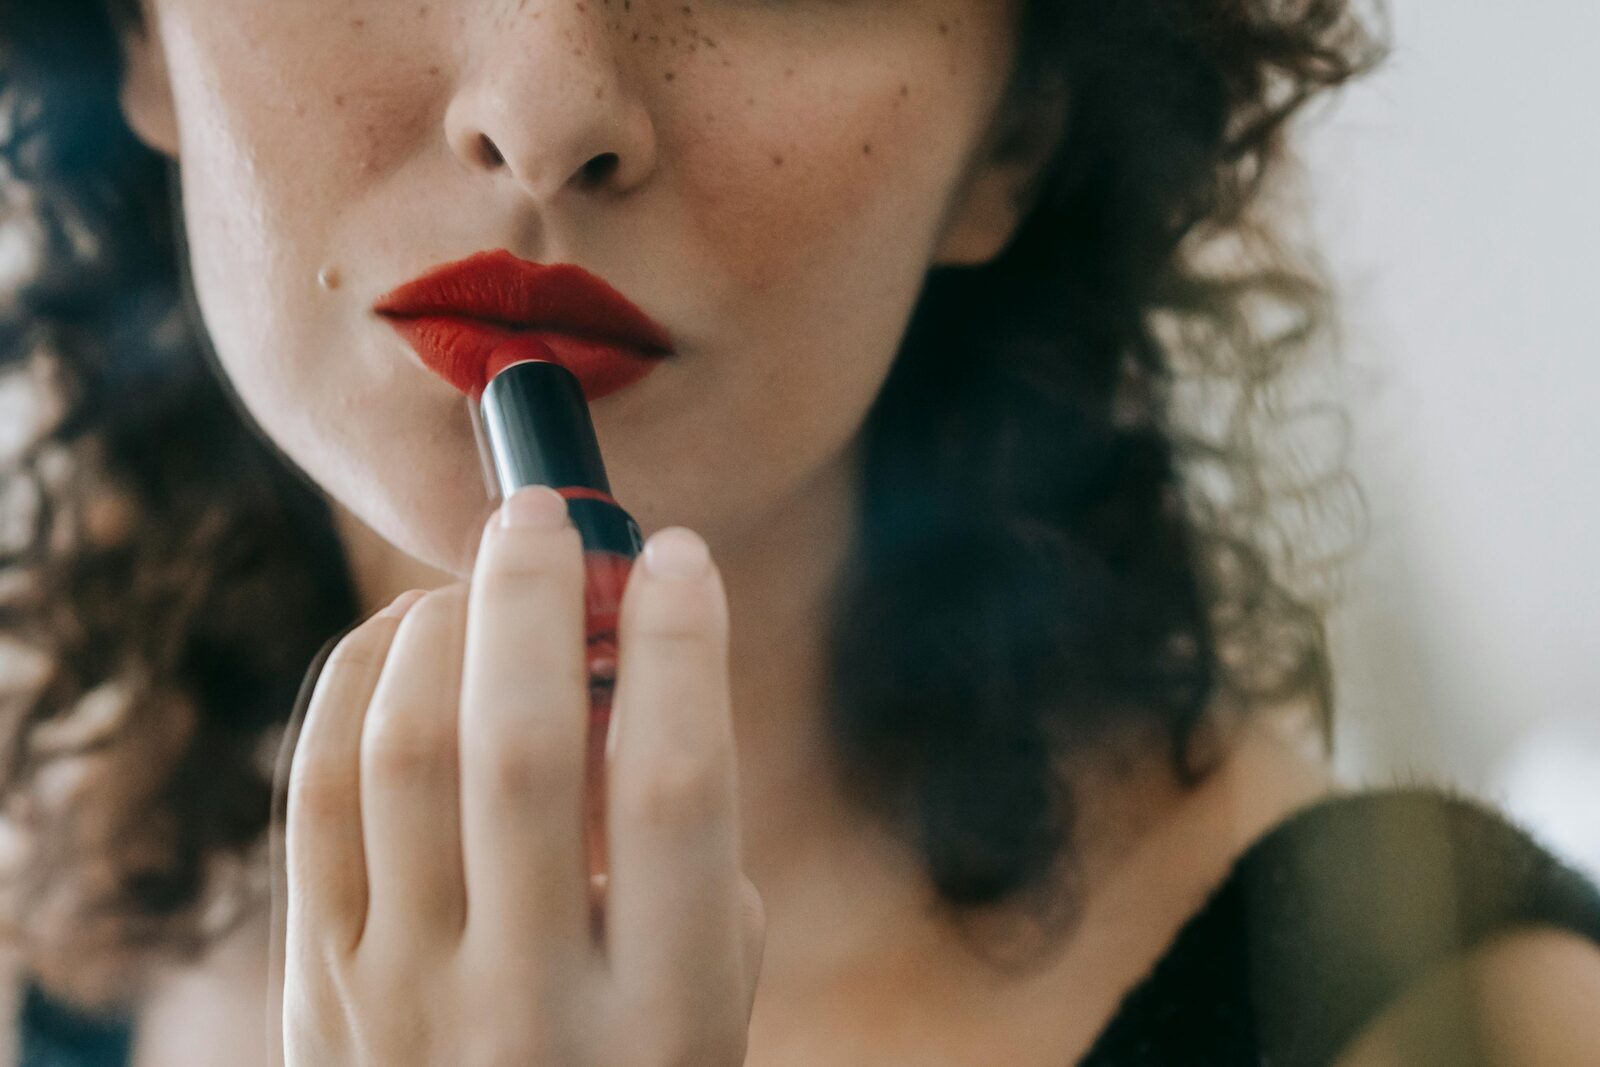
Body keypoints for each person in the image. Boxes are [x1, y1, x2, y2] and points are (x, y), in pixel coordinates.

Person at [0, 0, 1597, 1064]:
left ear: (1022, 128)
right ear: (136, 31)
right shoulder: (57, 917)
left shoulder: (1460, 1028)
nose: (545, 109)